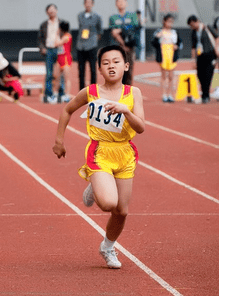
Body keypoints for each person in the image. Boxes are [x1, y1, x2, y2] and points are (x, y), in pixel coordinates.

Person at [52, 45, 145, 269]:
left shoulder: (134, 94)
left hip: (124, 152)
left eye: (115, 61)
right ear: (99, 69)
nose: (111, 66)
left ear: (126, 66)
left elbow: (140, 127)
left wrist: (126, 111)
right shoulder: (91, 91)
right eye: (106, 63)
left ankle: (107, 247)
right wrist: (59, 140)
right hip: (100, 150)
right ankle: (96, 183)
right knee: (108, 203)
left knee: (121, 211)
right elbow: (67, 110)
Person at [188, 15, 219, 104]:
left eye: (192, 24)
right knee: (200, 75)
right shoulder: (194, 32)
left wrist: (217, 48)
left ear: (196, 21)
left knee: (208, 75)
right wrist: (193, 59)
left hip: (210, 54)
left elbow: (217, 37)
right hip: (200, 56)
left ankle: (206, 96)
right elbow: (193, 46)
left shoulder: (207, 28)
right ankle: (204, 94)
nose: (192, 27)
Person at [38, 4, 65, 103]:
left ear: (56, 11)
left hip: (59, 50)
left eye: (53, 10)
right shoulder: (44, 24)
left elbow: (66, 35)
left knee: (60, 73)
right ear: (47, 12)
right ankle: (48, 94)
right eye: (49, 10)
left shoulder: (62, 23)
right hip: (48, 50)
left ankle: (61, 93)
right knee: (49, 73)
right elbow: (40, 39)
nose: (51, 12)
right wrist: (42, 48)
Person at [152, 14, 182, 103]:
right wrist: (158, 38)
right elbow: (153, 42)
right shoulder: (159, 31)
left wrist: (177, 47)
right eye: (168, 21)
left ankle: (170, 94)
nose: (170, 23)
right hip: (163, 54)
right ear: (164, 21)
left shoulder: (174, 32)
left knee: (171, 76)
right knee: (164, 75)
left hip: (172, 54)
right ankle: (164, 94)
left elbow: (180, 43)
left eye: (171, 22)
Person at [109, 0, 139, 85]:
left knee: (129, 70)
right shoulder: (113, 17)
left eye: (123, 1)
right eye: (119, 2)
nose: (121, 3)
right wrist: (123, 44)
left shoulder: (132, 16)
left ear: (126, 3)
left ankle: (128, 92)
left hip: (130, 48)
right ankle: (118, 93)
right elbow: (114, 33)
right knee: (118, 71)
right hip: (118, 48)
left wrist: (121, 29)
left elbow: (134, 27)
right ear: (116, 4)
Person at [76, 0, 102, 90]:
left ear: (93, 4)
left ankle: (93, 89)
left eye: (90, 3)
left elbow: (100, 31)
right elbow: (83, 25)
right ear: (84, 4)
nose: (88, 5)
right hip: (81, 45)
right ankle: (81, 90)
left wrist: (93, 39)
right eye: (86, 3)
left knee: (93, 69)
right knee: (81, 70)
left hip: (92, 45)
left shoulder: (97, 17)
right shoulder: (80, 15)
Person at [55, 21, 73, 102]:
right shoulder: (63, 36)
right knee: (57, 77)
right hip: (60, 58)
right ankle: (56, 94)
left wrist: (56, 34)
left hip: (65, 59)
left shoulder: (67, 36)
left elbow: (57, 44)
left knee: (66, 78)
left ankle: (67, 95)